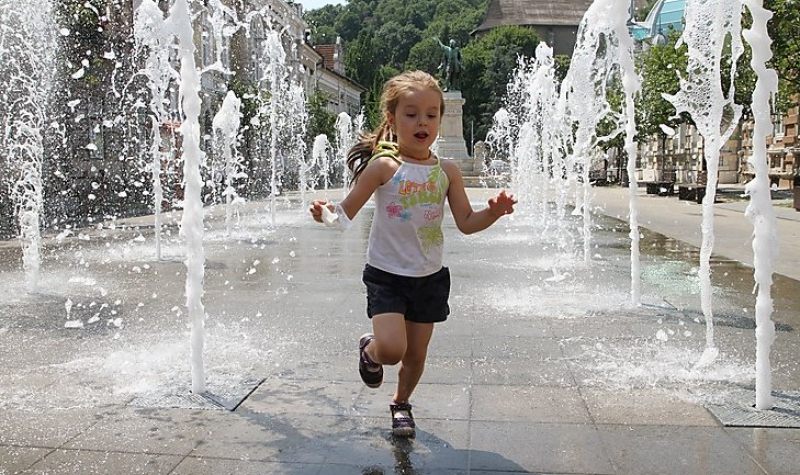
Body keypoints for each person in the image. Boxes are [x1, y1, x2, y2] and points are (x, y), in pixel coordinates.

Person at [309, 70, 516, 438]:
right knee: (391, 349)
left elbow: (467, 222)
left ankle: (401, 403)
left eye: (431, 114)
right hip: (387, 275)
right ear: (392, 118)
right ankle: (371, 350)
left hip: (429, 277)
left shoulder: (447, 171)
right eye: (411, 113)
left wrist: (494, 212)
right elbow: (344, 216)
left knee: (415, 357)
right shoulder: (383, 168)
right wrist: (324, 213)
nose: (423, 122)